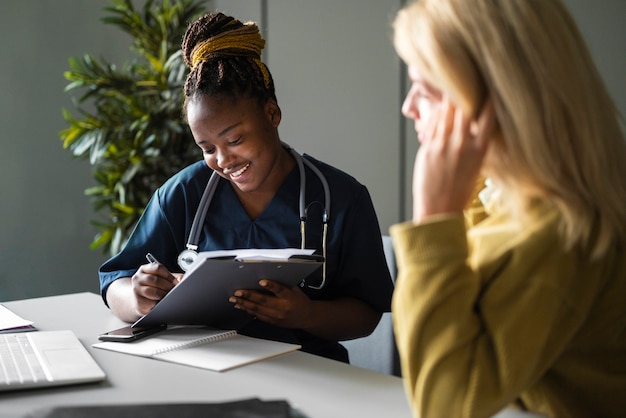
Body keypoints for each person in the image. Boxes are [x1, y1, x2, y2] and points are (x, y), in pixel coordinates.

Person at [98, 12, 394, 363]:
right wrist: (137, 296)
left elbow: (367, 315)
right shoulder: (183, 194)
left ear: (272, 114)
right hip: (201, 367)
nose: (223, 159)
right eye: (207, 148)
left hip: (310, 372)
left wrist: (306, 315)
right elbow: (114, 282)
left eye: (234, 139)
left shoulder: (342, 199)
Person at [390, 0, 626, 417]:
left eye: (425, 90)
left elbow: (444, 406)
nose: (408, 107)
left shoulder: (557, 233)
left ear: (495, 104)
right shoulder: (510, 197)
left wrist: (433, 218)